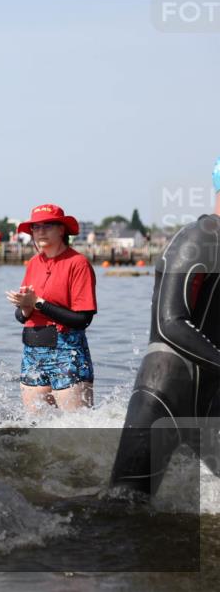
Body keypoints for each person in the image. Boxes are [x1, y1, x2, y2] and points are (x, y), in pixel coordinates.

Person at [109, 159, 220, 497]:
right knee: (122, 511)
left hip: (211, 399)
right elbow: (169, 324)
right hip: (165, 391)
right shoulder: (199, 238)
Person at [5, 204, 97, 413]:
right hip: (32, 353)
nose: (41, 231)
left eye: (48, 225)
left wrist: (38, 303)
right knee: (36, 430)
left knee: (78, 430)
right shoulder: (34, 263)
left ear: (62, 229)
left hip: (67, 352)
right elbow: (22, 316)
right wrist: (25, 308)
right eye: (36, 227)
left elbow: (83, 319)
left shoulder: (78, 263)